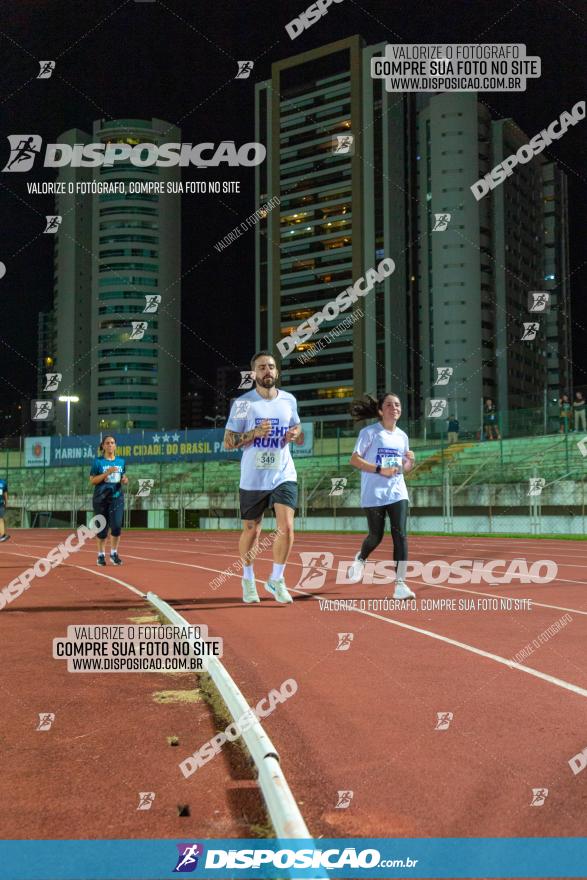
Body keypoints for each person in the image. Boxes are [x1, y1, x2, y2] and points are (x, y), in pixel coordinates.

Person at [224, 351, 302, 604]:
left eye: (270, 367)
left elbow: (297, 427)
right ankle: (248, 578)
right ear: (254, 374)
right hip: (253, 477)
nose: (267, 371)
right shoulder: (243, 404)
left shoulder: (289, 400)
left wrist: (293, 433)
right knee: (252, 530)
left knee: (287, 527)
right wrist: (254, 433)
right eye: (261, 368)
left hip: (283, 472)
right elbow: (228, 442)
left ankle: (277, 579)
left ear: (277, 372)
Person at [346, 392, 416, 600]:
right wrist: (379, 469)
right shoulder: (370, 433)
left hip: (396, 491)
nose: (394, 408)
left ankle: (400, 585)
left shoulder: (402, 436)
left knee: (400, 535)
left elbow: (404, 469)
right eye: (389, 404)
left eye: (397, 404)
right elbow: (354, 460)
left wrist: (410, 462)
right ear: (380, 410)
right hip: (373, 493)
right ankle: (361, 557)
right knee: (375, 536)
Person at [89, 435, 128, 566]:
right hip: (101, 498)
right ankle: (100, 555)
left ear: (115, 445)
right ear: (103, 446)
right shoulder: (98, 462)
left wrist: (125, 479)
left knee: (116, 526)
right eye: (107, 443)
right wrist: (107, 473)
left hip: (117, 497)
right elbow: (92, 481)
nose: (110, 445)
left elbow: (123, 475)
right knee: (102, 529)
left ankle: (114, 553)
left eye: (112, 443)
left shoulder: (121, 461)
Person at [0, 476, 9, 542]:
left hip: (1, 504)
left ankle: (3, 535)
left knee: (1, 519)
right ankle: (2, 535)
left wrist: (6, 502)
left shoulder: (3, 483)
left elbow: (5, 493)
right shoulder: (3, 483)